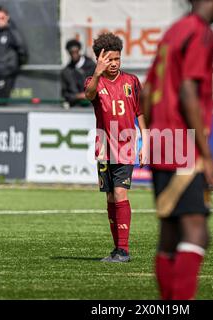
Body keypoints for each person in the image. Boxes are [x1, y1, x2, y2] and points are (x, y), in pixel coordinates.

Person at [142, 0, 213, 300]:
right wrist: (208, 155)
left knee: (170, 235)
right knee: (196, 233)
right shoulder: (201, 32)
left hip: (163, 141)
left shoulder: (173, 32)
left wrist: (151, 137)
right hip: (184, 142)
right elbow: (188, 89)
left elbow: (148, 91)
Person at [84, 33, 148, 263]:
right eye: (109, 59)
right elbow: (89, 95)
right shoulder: (94, 81)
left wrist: (145, 140)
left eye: (117, 59)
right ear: (100, 60)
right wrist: (97, 73)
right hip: (103, 148)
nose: (113, 64)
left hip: (126, 145)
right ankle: (116, 249)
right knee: (111, 197)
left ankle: (124, 249)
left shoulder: (131, 81)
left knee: (120, 192)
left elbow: (140, 111)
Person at [0, 6, 28, 106]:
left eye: (1, 18)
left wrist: (11, 67)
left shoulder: (13, 33)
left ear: (7, 18)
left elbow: (22, 51)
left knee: (2, 104)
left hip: (5, 75)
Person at [61, 39, 96, 108]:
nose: (74, 54)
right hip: (75, 107)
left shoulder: (92, 66)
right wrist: (78, 96)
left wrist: (89, 94)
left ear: (79, 50)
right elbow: (65, 94)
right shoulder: (66, 71)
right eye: (71, 52)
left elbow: (100, 85)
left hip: (93, 106)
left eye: (76, 51)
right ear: (68, 52)